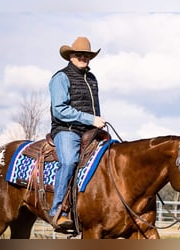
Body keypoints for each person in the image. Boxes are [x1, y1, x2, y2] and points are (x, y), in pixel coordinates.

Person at [49, 36, 106, 228]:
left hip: (90, 131)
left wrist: (97, 123)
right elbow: (60, 110)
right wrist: (91, 119)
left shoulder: (92, 78)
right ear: (70, 55)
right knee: (69, 161)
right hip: (67, 129)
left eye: (87, 55)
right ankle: (58, 210)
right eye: (79, 54)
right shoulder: (61, 78)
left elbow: (93, 108)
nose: (84, 58)